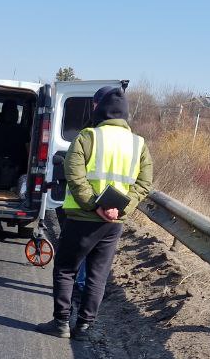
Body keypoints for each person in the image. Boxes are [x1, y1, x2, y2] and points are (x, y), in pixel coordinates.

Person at [36, 85, 153, 338]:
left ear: (100, 109)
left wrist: (94, 205)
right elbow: (145, 184)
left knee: (66, 269)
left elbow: (74, 175)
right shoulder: (138, 144)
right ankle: (85, 327)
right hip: (113, 224)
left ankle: (61, 323)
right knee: (98, 275)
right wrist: (120, 209)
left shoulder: (87, 137)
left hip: (81, 217)